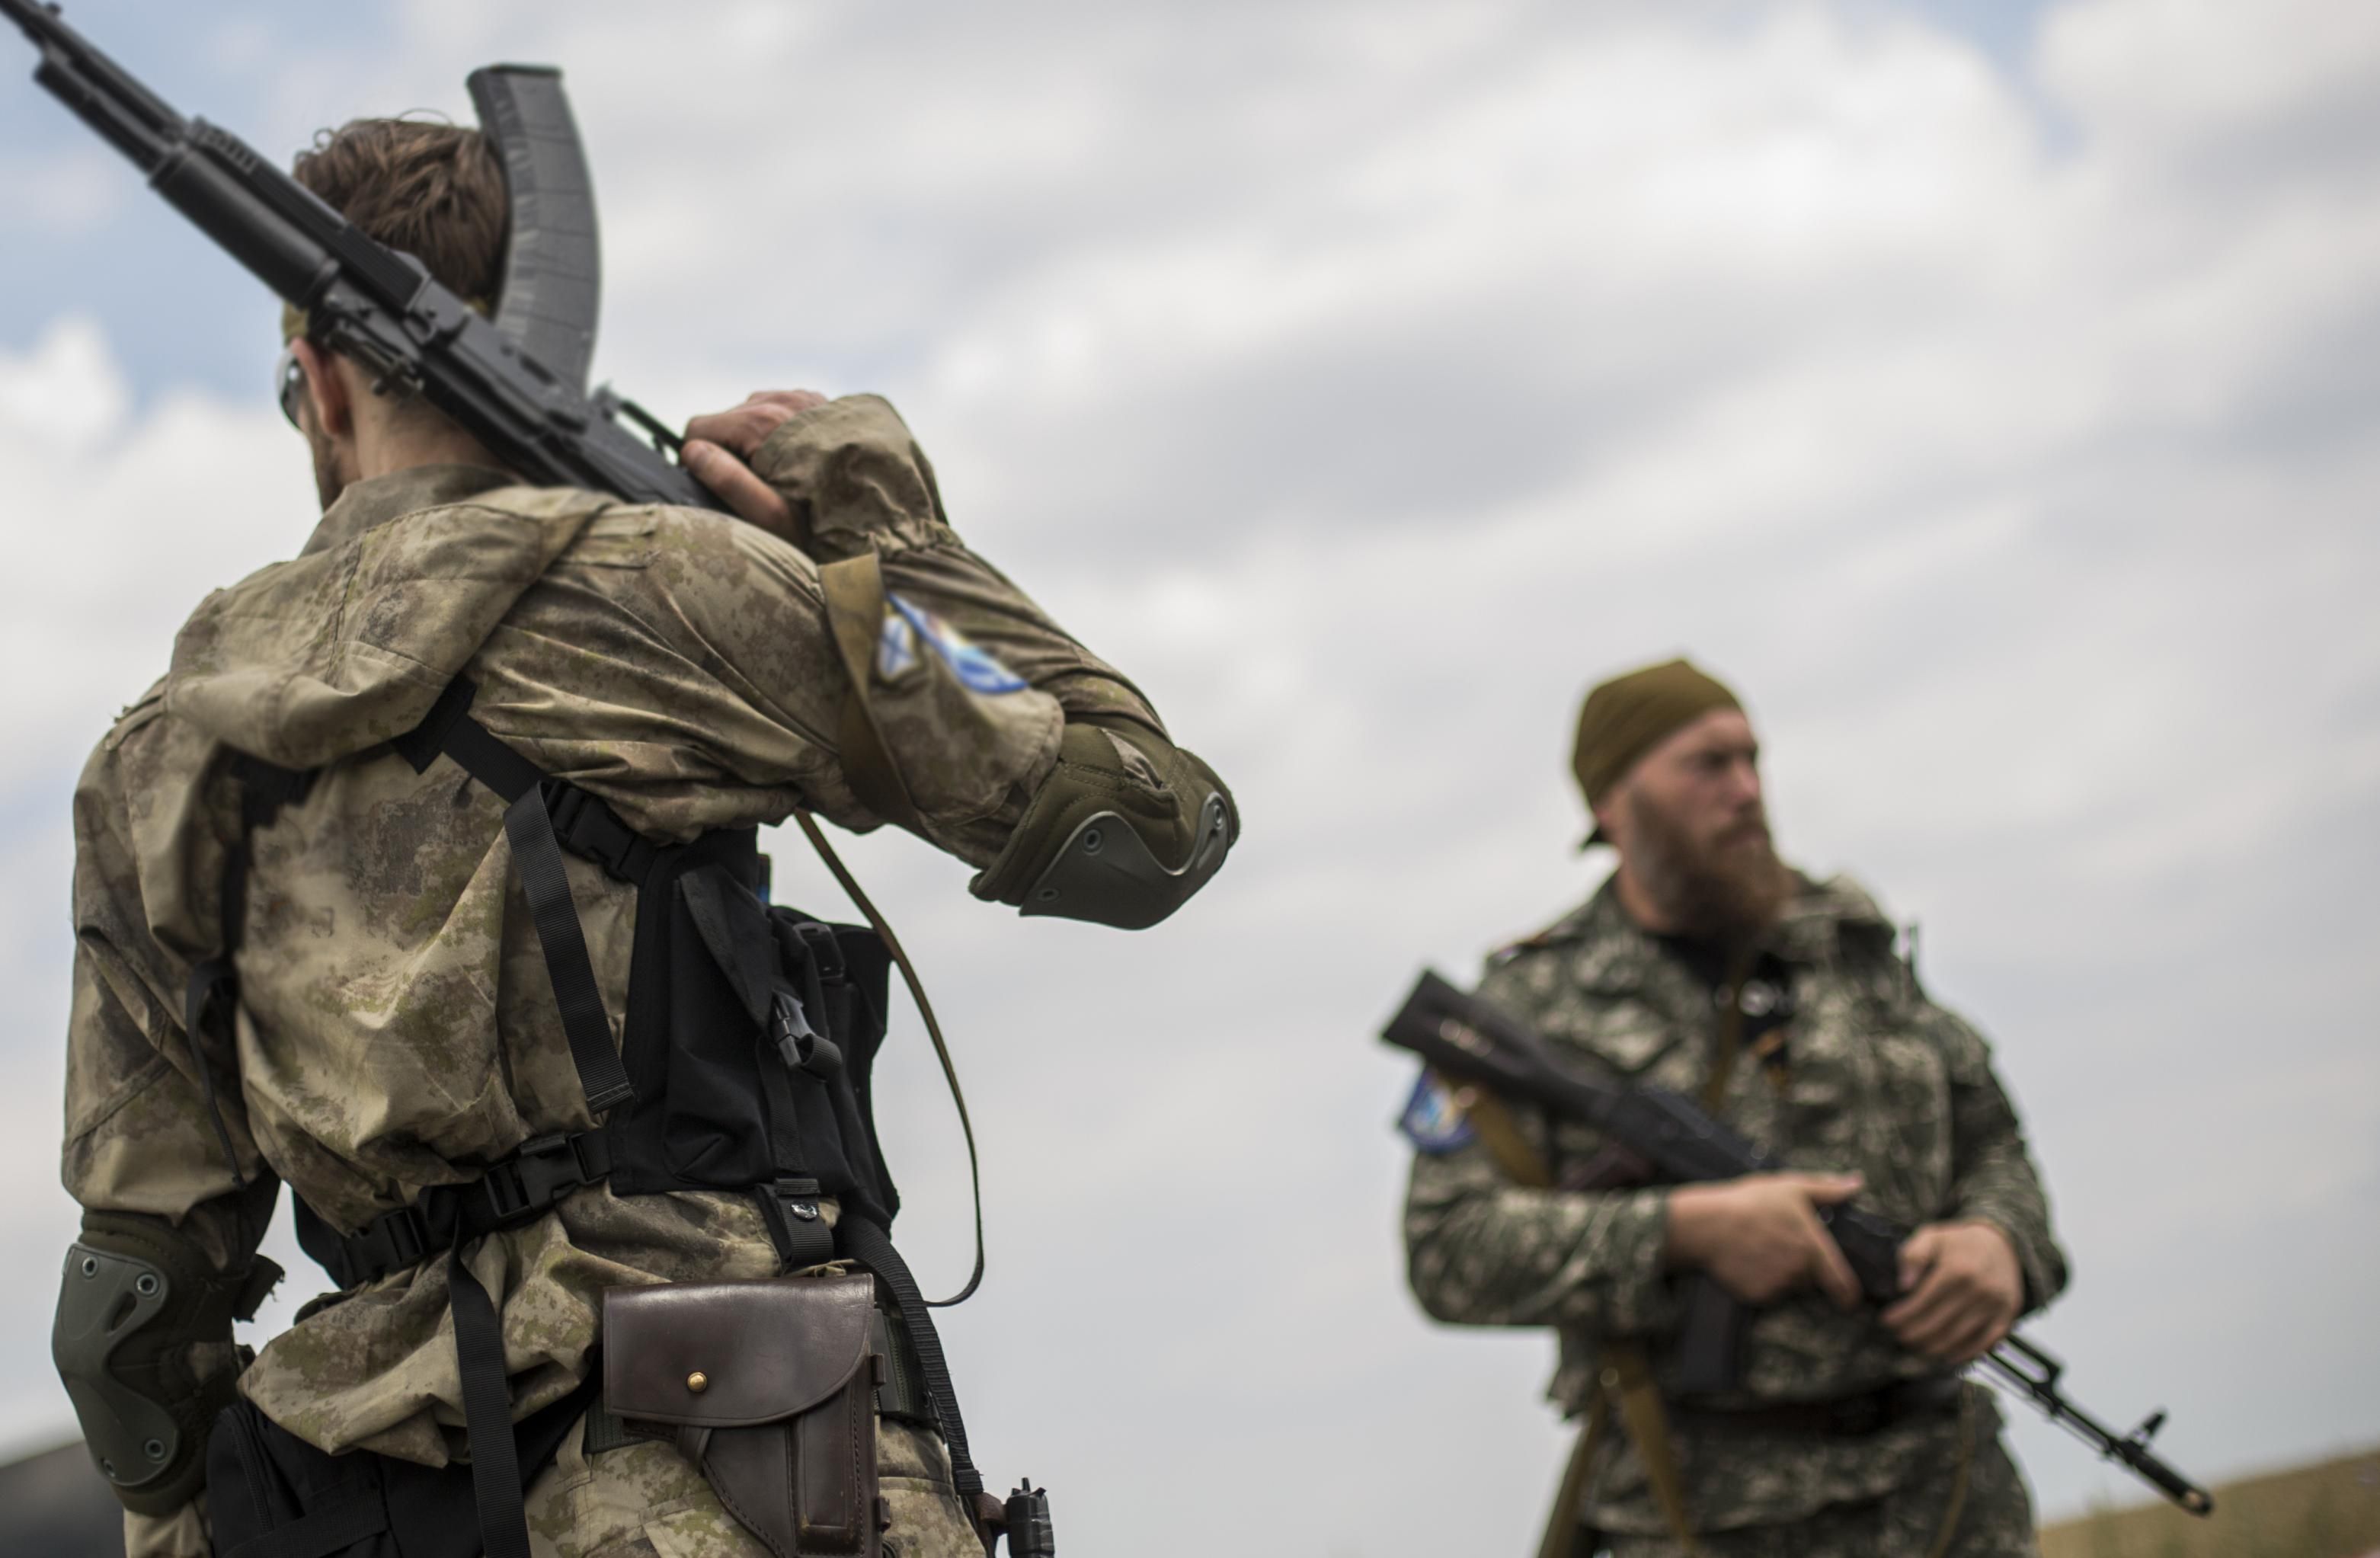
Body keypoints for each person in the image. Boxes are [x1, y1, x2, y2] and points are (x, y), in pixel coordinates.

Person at [53, 118, 1235, 1558]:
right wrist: (883, 539)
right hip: (737, 1479)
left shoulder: (158, 759)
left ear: (312, 380)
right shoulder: (692, 592)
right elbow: (1145, 824)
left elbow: (131, 1317)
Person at [1401, 658, 2065, 1558]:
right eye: (1706, 765)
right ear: (1610, 802)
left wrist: (1998, 1243)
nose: (1746, 790)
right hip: (1697, 1514)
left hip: (1943, 1500)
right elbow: (1449, 1251)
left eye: (1752, 760)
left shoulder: (1852, 949)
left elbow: (1993, 1141)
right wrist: (1683, 1230)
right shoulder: (1530, 1006)